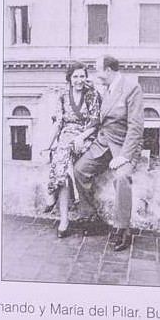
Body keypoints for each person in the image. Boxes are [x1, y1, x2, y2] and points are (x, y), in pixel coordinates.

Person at [71, 55, 144, 250]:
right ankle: (91, 217)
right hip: (103, 142)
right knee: (79, 170)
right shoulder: (104, 88)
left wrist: (124, 156)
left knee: (122, 177)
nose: (96, 75)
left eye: (98, 70)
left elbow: (136, 127)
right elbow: (99, 118)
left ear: (109, 70)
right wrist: (82, 136)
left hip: (124, 144)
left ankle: (123, 229)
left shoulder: (132, 88)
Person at [44, 64, 102, 238]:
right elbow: (58, 124)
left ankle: (51, 193)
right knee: (64, 166)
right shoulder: (63, 97)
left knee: (62, 155)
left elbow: (95, 123)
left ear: (86, 77)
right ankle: (64, 220)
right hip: (66, 136)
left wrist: (81, 137)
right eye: (75, 77)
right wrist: (47, 146)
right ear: (69, 78)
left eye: (82, 76)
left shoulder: (92, 95)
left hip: (85, 136)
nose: (79, 80)